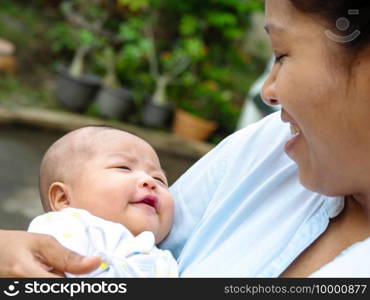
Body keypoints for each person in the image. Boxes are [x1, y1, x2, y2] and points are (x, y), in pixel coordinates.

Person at [1, 0, 370, 278]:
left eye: (282, 55)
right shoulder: (270, 147)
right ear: (61, 197)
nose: (268, 92)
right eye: (121, 167)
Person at [27, 126, 178, 277]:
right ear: (64, 199)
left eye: (160, 179)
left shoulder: (167, 260)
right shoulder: (67, 227)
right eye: (123, 167)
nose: (149, 181)